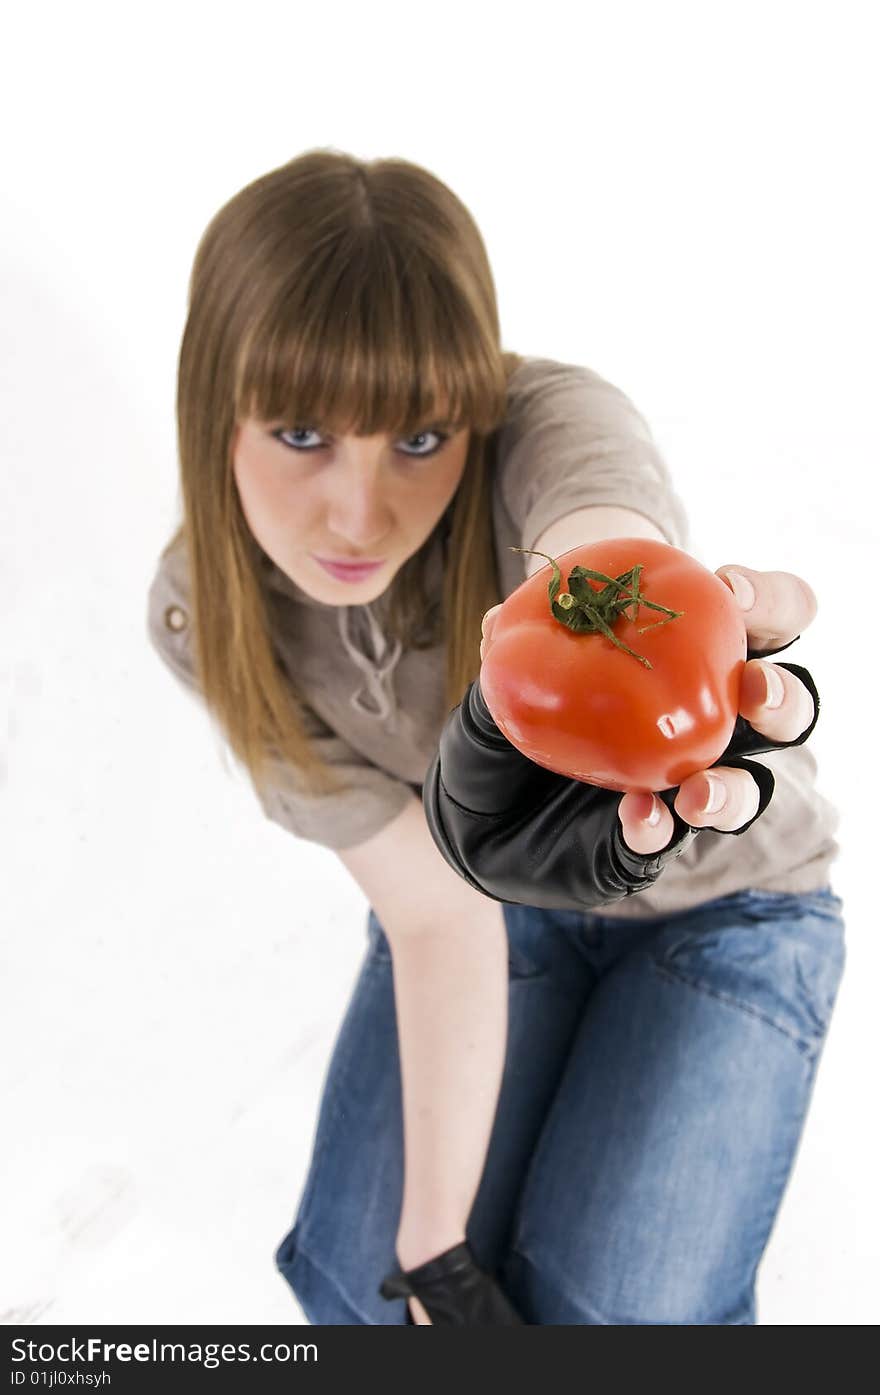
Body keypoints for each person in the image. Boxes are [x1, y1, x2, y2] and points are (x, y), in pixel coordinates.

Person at [146, 148, 846, 1325]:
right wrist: (433, 1258)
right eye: (302, 433)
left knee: (612, 1312)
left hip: (727, 911)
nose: (358, 514)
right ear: (216, 410)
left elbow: (598, 521)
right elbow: (435, 913)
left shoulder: (546, 423)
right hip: (494, 907)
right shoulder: (210, 623)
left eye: (419, 438)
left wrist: (615, 605)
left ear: (474, 410)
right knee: (355, 1287)